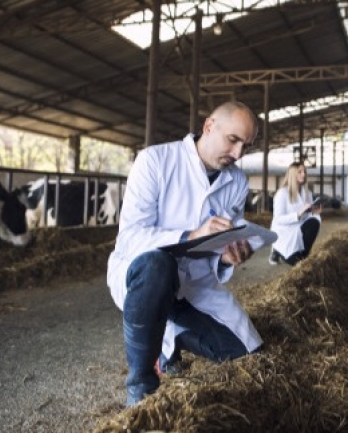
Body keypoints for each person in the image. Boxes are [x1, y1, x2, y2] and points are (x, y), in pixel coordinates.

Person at [107, 101, 265, 407]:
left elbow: (218, 246)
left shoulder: (237, 182)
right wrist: (190, 235)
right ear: (209, 126)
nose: (238, 155)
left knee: (247, 354)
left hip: (194, 285)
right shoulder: (155, 160)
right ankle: (141, 384)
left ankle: (170, 334)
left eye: (246, 146)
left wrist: (226, 256)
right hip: (144, 279)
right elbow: (130, 237)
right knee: (157, 264)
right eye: (233, 140)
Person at [269, 162, 322, 266]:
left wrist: (313, 212)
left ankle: (304, 256)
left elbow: (307, 216)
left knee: (314, 221)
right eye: (300, 172)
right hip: (284, 232)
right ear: (292, 174)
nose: (304, 174)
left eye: (304, 172)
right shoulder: (282, 193)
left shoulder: (308, 193)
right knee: (293, 261)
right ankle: (277, 250)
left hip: (298, 228)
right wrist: (298, 214)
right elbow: (279, 219)